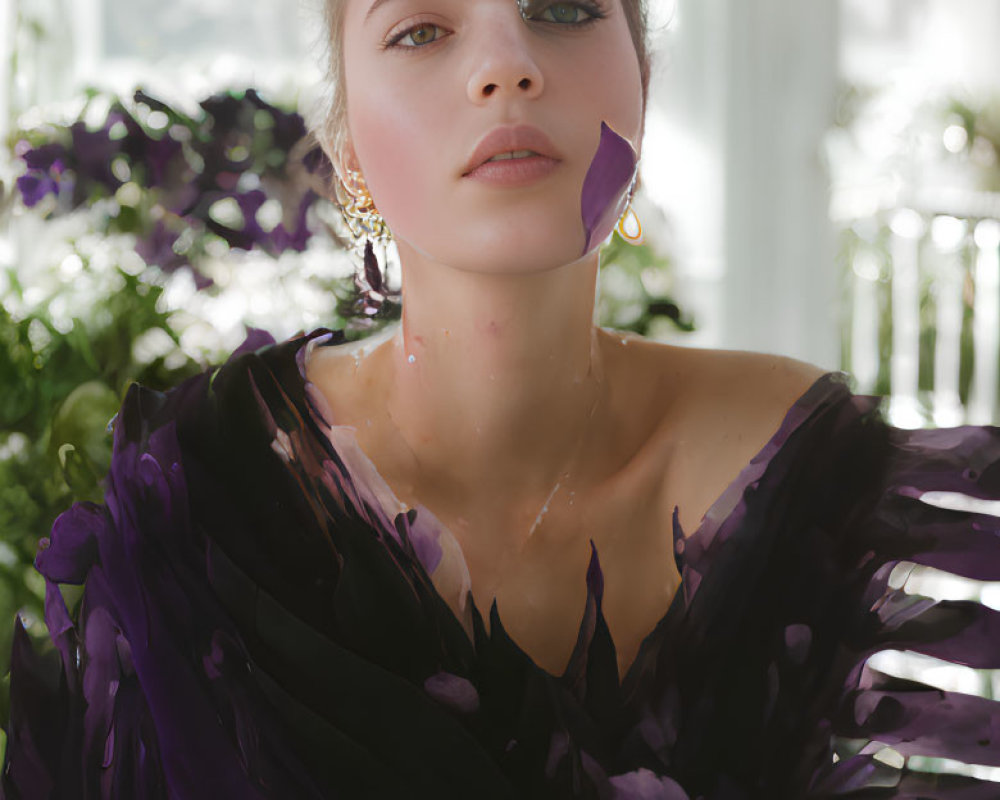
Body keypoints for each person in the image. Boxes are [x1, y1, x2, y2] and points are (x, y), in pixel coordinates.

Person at [2, 1, 999, 798]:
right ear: (347, 147)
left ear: (640, 85)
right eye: (422, 29)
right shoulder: (206, 491)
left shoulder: (796, 464)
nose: (508, 63)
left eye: (564, 8)